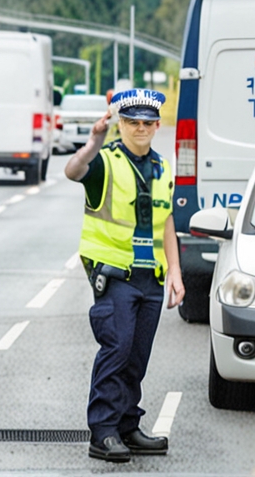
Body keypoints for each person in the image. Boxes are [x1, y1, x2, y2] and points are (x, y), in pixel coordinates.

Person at [64, 88, 185, 463]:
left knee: (137, 355)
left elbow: (166, 223)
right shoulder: (106, 162)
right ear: (122, 124)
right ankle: (103, 431)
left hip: (152, 278)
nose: (140, 129)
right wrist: (93, 142)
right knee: (117, 349)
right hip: (115, 275)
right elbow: (73, 171)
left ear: (156, 125)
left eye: (147, 123)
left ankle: (128, 425)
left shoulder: (164, 168)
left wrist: (176, 273)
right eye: (132, 122)